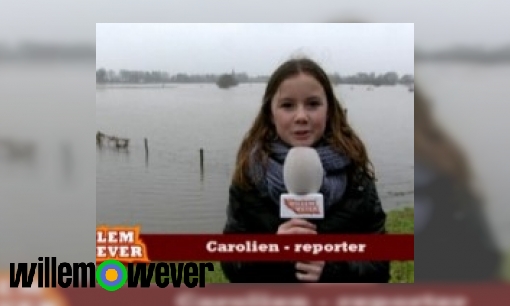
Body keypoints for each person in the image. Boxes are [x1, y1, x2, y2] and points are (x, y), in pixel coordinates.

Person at [220, 57, 390, 283]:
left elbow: (379, 267)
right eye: (288, 105)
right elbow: (232, 265)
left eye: (312, 104)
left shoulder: (356, 179)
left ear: (328, 109)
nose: (301, 116)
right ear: (271, 113)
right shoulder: (249, 176)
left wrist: (330, 269)